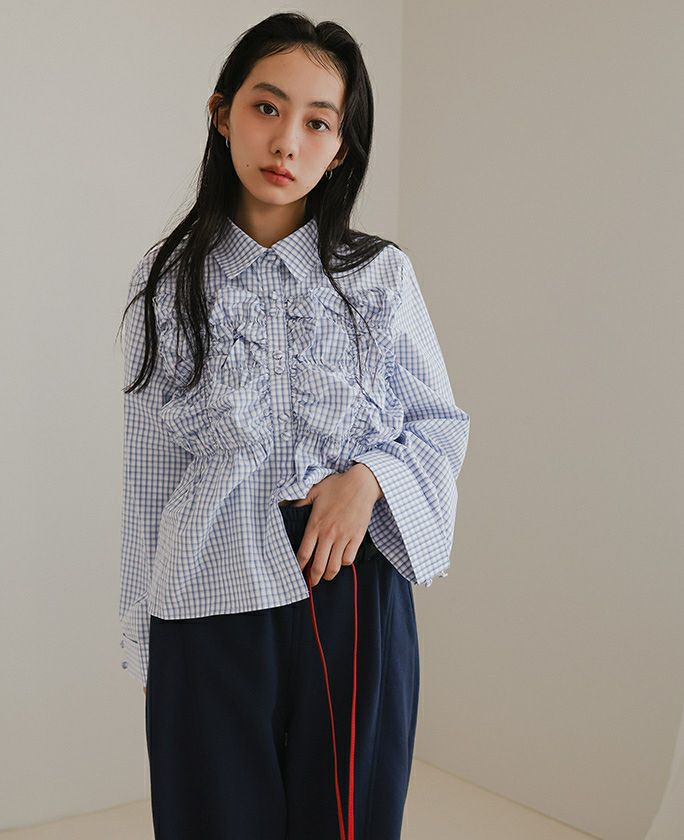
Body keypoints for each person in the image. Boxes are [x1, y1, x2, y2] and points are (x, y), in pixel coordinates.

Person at [117, 12, 470, 840]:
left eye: (318, 123)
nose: (287, 142)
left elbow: (439, 424)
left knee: (348, 822)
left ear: (340, 148)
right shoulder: (164, 282)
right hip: (207, 595)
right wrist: (144, 638)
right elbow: (148, 471)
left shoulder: (381, 275)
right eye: (267, 108)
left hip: (349, 586)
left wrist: (368, 481)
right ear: (222, 113)